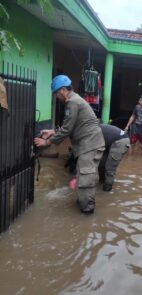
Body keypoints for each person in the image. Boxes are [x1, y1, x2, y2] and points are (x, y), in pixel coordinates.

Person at [34, 75, 105, 214]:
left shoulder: (72, 102)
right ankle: (84, 206)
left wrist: (47, 142)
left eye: (55, 93)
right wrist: (52, 132)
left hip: (90, 146)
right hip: (87, 145)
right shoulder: (74, 100)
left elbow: (67, 130)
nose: (56, 97)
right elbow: (70, 126)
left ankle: (87, 214)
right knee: (82, 177)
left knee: (84, 180)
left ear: (61, 90)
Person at [98, 124, 130, 191]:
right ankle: (101, 183)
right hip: (109, 142)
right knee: (101, 164)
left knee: (110, 167)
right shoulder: (93, 129)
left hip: (121, 141)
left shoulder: (92, 131)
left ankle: (107, 190)